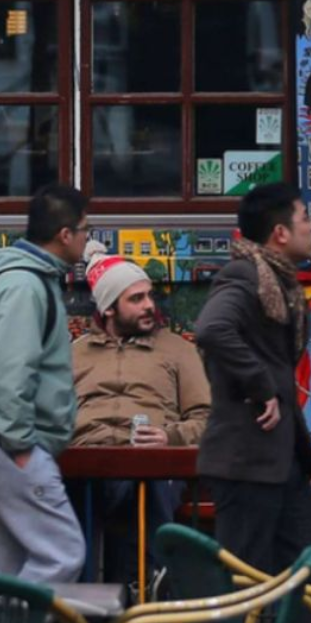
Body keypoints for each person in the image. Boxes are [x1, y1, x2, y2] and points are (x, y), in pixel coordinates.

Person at [194, 182, 311, 623]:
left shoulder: (276, 281)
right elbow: (212, 329)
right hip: (247, 458)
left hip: (281, 462)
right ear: (280, 233)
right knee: (241, 580)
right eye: (305, 219)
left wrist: (302, 457)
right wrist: (260, 386)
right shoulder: (243, 276)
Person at [0, 182, 89, 583]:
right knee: (64, 554)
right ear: (64, 234)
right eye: (86, 229)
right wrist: (20, 446)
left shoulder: (30, 279)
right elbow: (8, 371)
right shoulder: (24, 286)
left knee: (7, 566)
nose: (90, 239)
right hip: (9, 443)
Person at [73, 242, 211, 592]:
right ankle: (79, 615)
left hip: (151, 465)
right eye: (136, 299)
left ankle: (145, 590)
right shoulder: (72, 353)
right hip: (87, 464)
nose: (150, 305)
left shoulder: (178, 350)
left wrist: (171, 437)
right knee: (66, 494)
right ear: (107, 309)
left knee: (147, 484)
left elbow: (207, 418)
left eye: (149, 295)